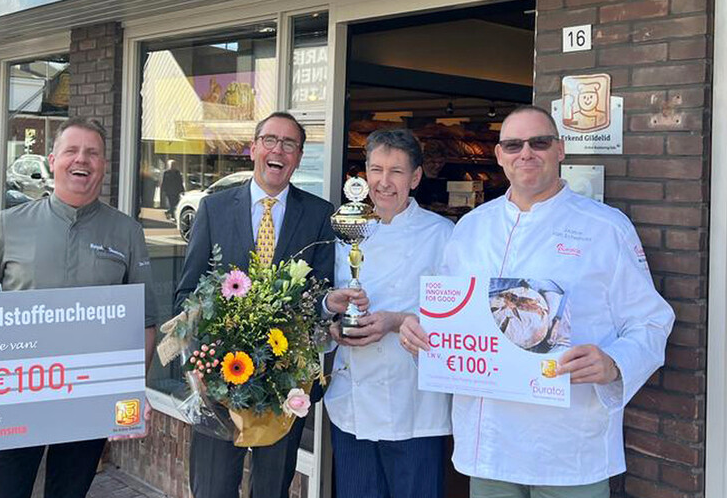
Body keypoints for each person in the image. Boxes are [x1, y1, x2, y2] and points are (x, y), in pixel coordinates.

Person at [400, 105, 674, 498]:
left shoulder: (605, 227)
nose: (525, 153)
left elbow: (650, 322)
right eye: (513, 145)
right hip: (489, 443)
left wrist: (614, 362)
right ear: (499, 156)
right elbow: (450, 316)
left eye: (539, 142)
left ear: (560, 150)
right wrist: (419, 332)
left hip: (568, 447)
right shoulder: (471, 228)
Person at [0, 117, 158, 498]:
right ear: (53, 160)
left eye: (92, 153)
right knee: (0, 489)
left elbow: (144, 321)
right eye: (72, 150)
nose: (82, 159)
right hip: (14, 396)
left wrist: (130, 387)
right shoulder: (11, 225)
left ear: (104, 166)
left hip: (87, 397)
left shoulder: (127, 232)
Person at [176, 111, 334, 498]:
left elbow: (322, 297)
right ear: (253, 149)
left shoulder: (319, 215)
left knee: (271, 489)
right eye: (270, 140)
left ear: (299, 157)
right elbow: (186, 293)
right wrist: (201, 359)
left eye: (289, 144)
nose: (278, 150)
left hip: (285, 382)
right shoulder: (213, 209)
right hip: (219, 383)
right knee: (213, 488)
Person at [323, 128, 453, 498]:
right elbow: (326, 301)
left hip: (414, 406)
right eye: (376, 169)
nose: (384, 182)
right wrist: (335, 325)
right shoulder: (344, 230)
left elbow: (459, 316)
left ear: (415, 177)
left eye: (396, 172)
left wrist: (396, 321)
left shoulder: (443, 235)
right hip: (352, 406)